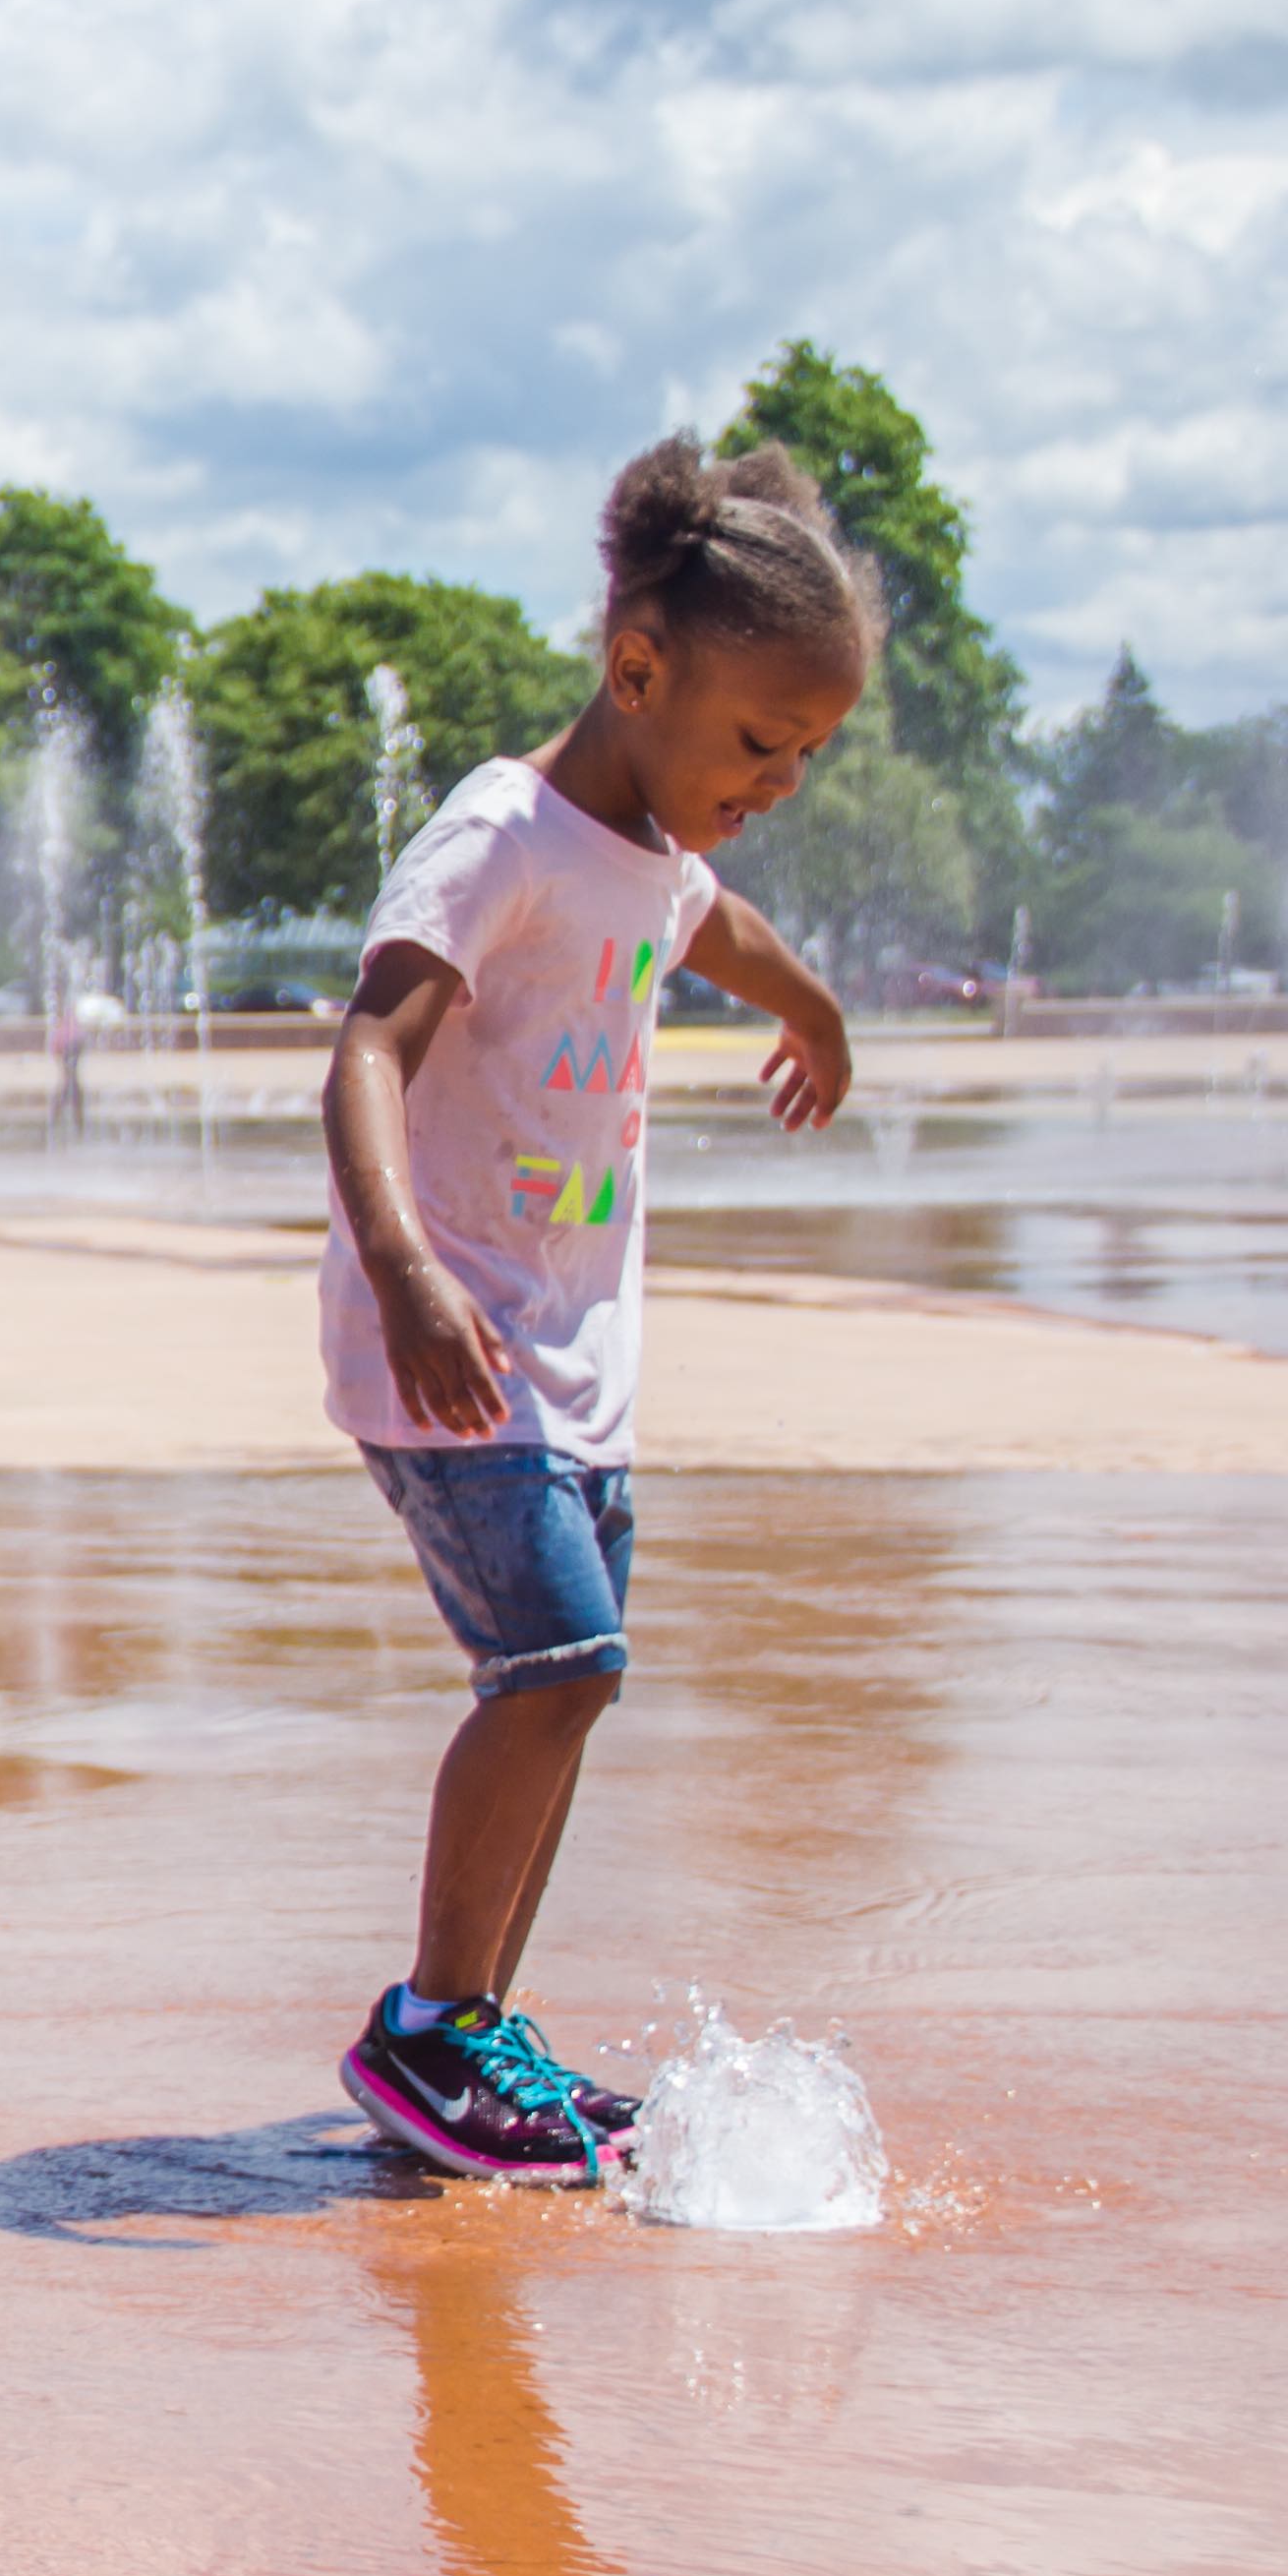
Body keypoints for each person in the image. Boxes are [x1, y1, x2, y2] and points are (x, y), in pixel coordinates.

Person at [320, 435, 866, 2183]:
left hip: (573, 1373)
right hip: (456, 1348)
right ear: (638, 670)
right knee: (558, 1664)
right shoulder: (505, 833)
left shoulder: (647, 850)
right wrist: (404, 1269)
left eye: (807, 755)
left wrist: (821, 1012)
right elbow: (368, 1050)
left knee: (568, 1686)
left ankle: (480, 2031)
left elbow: (717, 928)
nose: (777, 778)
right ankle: (427, 2028)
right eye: (759, 742)